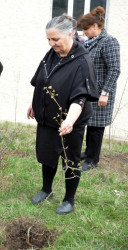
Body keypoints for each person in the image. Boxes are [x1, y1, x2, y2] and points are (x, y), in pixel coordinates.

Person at [27, 15, 99, 214]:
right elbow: (41, 80)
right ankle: (46, 190)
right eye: (48, 40)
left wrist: (69, 120)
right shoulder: (52, 54)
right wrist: (34, 103)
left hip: (70, 121)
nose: (51, 44)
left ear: (71, 33)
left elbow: (80, 98)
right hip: (47, 117)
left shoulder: (82, 61)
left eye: (55, 39)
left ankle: (69, 199)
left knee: (70, 159)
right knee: (47, 154)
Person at [77, 6, 120, 171]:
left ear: (95, 26)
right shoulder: (91, 42)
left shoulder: (109, 42)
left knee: (96, 127)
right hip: (90, 91)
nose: (84, 32)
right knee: (90, 122)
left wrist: (105, 93)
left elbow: (114, 69)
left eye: (86, 29)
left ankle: (92, 160)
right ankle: (88, 152)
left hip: (102, 92)